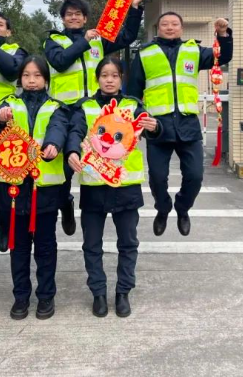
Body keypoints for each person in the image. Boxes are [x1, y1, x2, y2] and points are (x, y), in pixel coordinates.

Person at [43, 0, 144, 237]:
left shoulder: (99, 40)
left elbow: (127, 36)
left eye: (78, 14)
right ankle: (65, 203)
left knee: (102, 161)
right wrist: (85, 41)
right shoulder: (53, 41)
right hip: (65, 113)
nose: (74, 18)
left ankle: (106, 206)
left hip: (96, 114)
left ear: (86, 18)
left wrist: (134, 9)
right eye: (69, 15)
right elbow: (60, 62)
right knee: (64, 168)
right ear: (63, 19)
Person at [66, 57, 159, 318]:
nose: (109, 80)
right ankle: (97, 292)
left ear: (121, 79)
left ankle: (123, 292)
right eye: (104, 75)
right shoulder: (85, 106)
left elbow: (148, 127)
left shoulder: (132, 104)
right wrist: (72, 150)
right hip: (94, 185)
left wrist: (155, 126)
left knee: (128, 243)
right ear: (97, 78)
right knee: (92, 244)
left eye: (114, 75)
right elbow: (75, 131)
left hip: (125, 186)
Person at [128, 12, 232, 237]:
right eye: (164, 24)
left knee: (195, 176)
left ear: (182, 28)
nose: (170, 27)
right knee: (156, 177)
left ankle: (183, 208)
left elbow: (221, 57)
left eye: (174, 24)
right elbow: (133, 95)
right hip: (158, 128)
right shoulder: (145, 54)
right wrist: (142, 117)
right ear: (158, 28)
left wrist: (223, 34)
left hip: (188, 125)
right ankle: (163, 209)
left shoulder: (193, 51)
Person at [0, 56, 70, 320]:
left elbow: (58, 128)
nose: (32, 80)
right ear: (20, 79)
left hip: (45, 191)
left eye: (37, 75)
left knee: (46, 247)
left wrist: (53, 146)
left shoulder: (57, 107)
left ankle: (46, 297)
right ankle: (21, 297)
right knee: (19, 247)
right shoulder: (9, 105)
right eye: (26, 75)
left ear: (46, 79)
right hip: (13, 189)